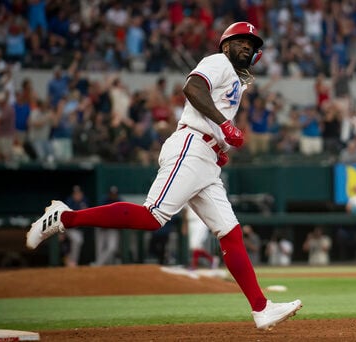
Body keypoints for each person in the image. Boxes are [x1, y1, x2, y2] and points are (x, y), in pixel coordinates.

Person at [26, 22, 301, 330]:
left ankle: (261, 309)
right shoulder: (218, 61)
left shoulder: (233, 78)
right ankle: (66, 217)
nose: (247, 46)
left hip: (206, 158)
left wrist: (219, 145)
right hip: (191, 146)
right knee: (151, 217)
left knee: (230, 233)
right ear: (225, 45)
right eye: (240, 41)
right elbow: (193, 88)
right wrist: (224, 126)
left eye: (251, 43)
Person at [91, 186, 122, 266]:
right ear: (109, 194)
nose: (113, 196)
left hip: (112, 229)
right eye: (112, 194)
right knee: (99, 249)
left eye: (115, 194)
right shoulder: (104, 201)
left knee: (112, 248)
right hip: (101, 228)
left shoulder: (120, 202)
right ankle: (101, 266)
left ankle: (98, 264)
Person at [182, 205, 220, 270]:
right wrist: (185, 224)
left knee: (195, 245)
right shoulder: (184, 196)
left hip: (200, 221)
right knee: (193, 247)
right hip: (190, 222)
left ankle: (193, 266)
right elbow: (185, 211)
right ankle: (212, 259)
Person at [61, 185, 88, 267]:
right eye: (75, 194)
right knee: (77, 240)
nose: (77, 195)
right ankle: (72, 262)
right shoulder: (69, 202)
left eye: (79, 193)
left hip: (79, 229)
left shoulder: (84, 201)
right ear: (73, 194)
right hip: (69, 228)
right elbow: (63, 217)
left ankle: (71, 260)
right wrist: (61, 232)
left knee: (77, 241)